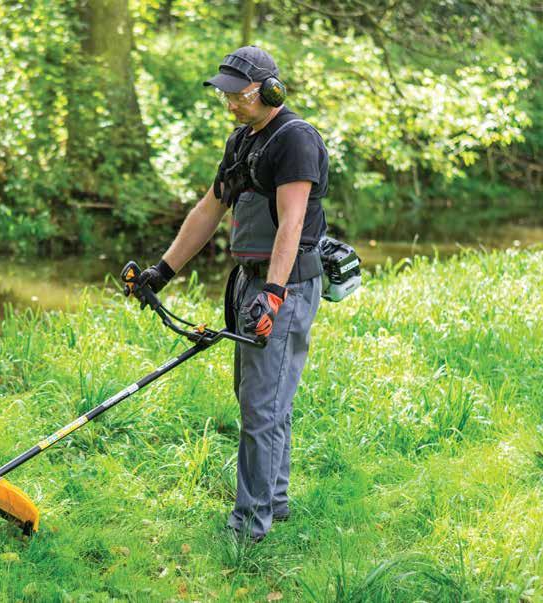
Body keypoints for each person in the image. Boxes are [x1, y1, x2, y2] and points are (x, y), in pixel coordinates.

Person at [137, 46, 329, 542]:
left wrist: (274, 293)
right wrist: (163, 270)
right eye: (224, 94)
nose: (229, 104)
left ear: (269, 91)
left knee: (263, 405)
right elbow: (209, 209)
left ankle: (249, 526)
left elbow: (291, 226)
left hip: (281, 283)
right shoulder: (242, 142)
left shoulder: (296, 141)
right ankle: (275, 501)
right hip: (250, 281)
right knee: (259, 397)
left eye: (237, 95)